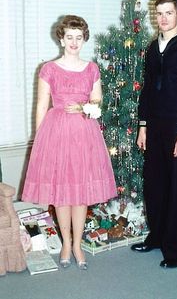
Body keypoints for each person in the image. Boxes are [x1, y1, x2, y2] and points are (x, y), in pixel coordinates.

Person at [22, 15, 117, 269]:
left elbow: (98, 100)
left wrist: (85, 106)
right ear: (61, 39)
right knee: (62, 193)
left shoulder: (91, 68)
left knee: (81, 193)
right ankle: (66, 242)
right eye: (69, 37)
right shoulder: (49, 69)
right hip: (56, 134)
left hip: (84, 133)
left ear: (84, 39)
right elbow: (41, 106)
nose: (74, 42)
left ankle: (77, 245)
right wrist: (39, 140)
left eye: (79, 37)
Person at [131, 0, 177, 268]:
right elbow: (148, 89)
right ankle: (157, 237)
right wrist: (143, 126)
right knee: (155, 184)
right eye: (159, 13)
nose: (163, 18)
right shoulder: (152, 48)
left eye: (169, 13)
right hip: (155, 126)